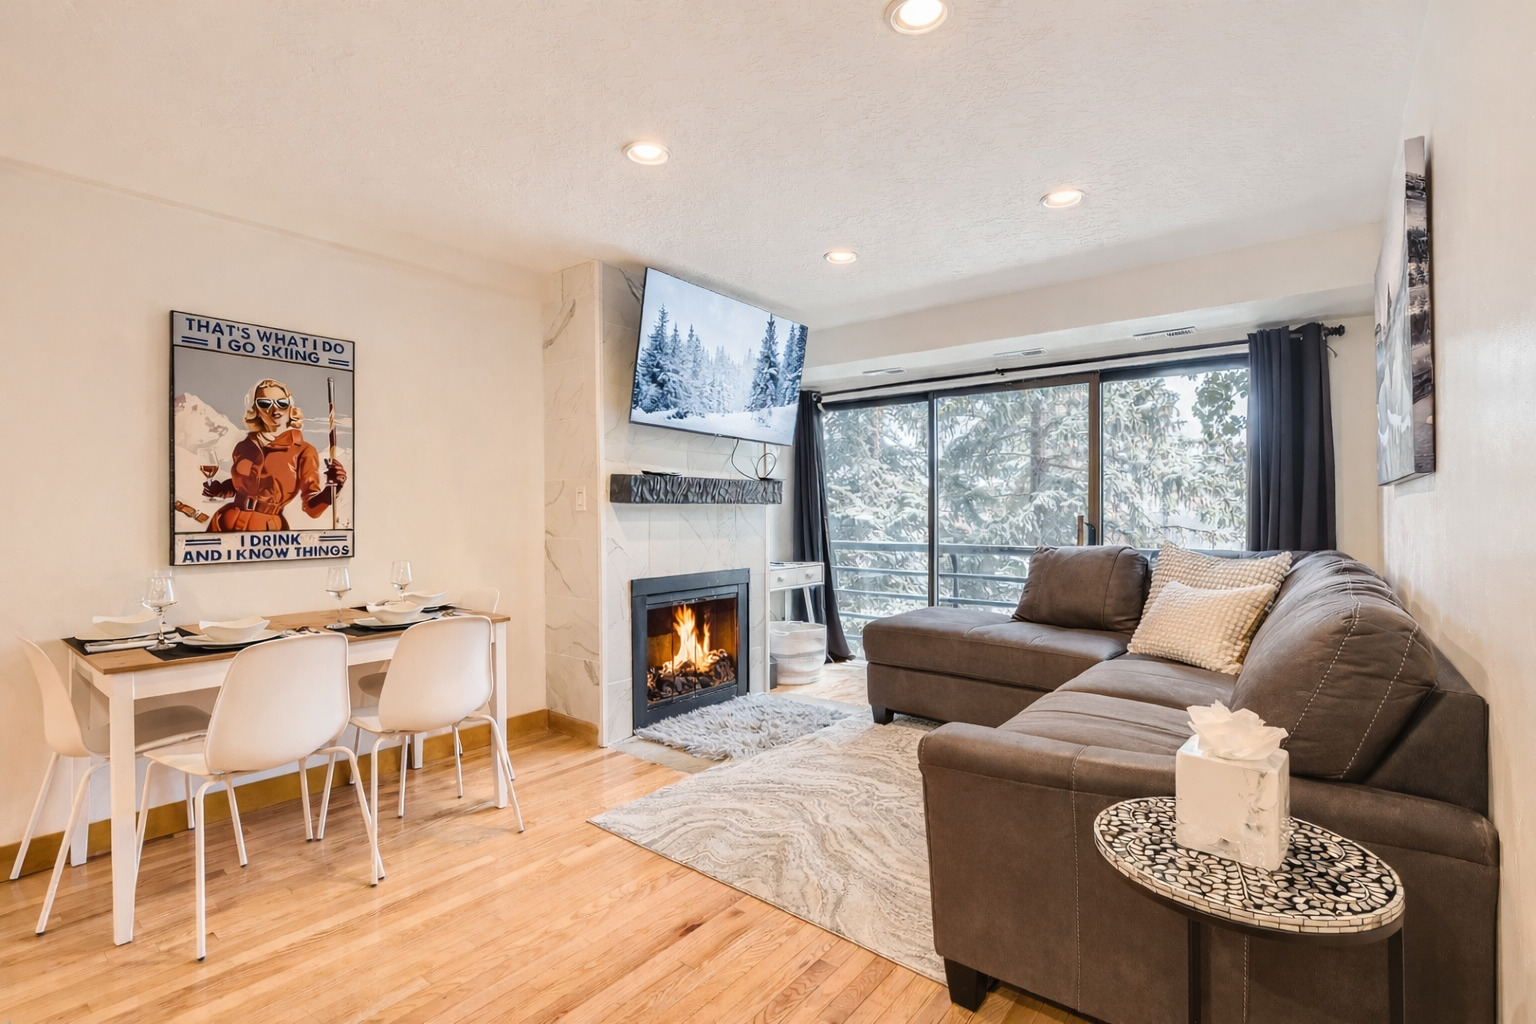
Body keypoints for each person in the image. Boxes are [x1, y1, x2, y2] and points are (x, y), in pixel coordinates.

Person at [203, 379, 346, 532]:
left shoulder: (303, 451)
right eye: (265, 403)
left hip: (267, 531)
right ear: (255, 409)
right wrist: (221, 489)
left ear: (290, 407)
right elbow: (243, 484)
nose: (275, 409)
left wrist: (332, 489)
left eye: (282, 403)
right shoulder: (244, 446)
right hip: (223, 524)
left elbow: (311, 508)